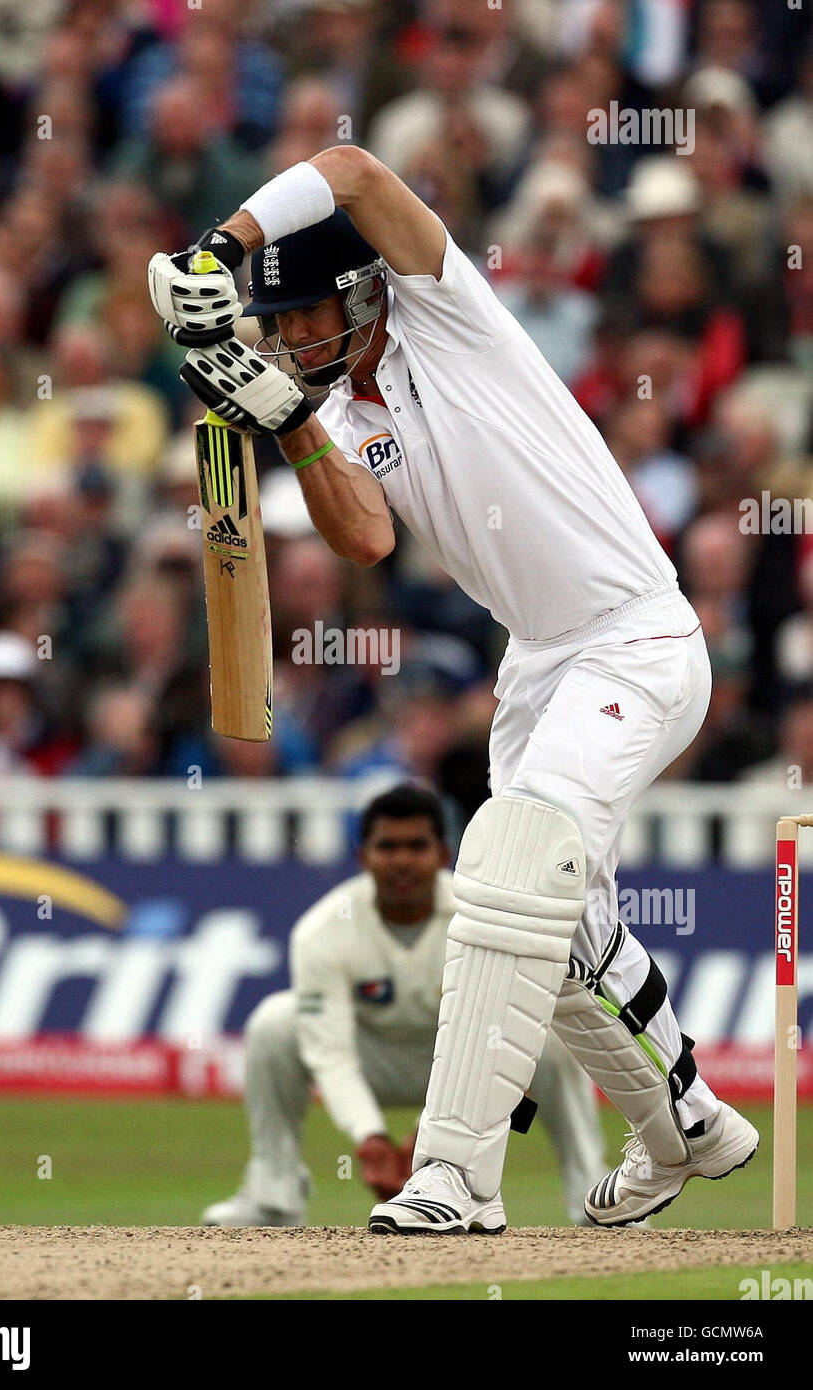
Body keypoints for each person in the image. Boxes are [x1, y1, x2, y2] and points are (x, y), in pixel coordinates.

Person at [148, 144, 759, 1235]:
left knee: (508, 861)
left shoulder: (446, 310)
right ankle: (689, 1127)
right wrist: (284, 417)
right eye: (272, 325)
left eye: (296, 319)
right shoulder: (337, 410)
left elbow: (351, 170)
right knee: (557, 926)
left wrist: (216, 252)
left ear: (359, 292)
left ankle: (457, 1178)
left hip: (635, 636)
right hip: (537, 663)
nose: (285, 338)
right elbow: (366, 536)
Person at [203, 784, 605, 1228]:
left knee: (549, 1034)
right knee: (275, 1024)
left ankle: (592, 1199)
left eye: (416, 846)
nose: (401, 861)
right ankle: (272, 1196)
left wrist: (431, 1133)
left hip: (465, 1067)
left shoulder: (480, 918)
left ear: (443, 855)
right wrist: (369, 1137)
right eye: (387, 847)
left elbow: (505, 1030)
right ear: (363, 857)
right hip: (372, 1060)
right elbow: (330, 1052)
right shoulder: (322, 929)